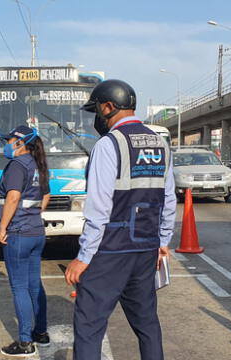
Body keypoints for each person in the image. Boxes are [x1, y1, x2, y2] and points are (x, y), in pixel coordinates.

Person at [65, 79, 176, 360]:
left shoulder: (108, 144)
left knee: (89, 326)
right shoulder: (160, 144)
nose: (97, 118)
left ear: (108, 106)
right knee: (147, 323)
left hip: (111, 250)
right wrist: (162, 243)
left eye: (97, 111)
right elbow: (169, 199)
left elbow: (99, 207)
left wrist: (84, 257)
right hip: (146, 248)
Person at [0, 125, 51, 357]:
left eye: (9, 140)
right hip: (36, 232)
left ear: (20, 143)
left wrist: (3, 228)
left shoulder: (17, 165)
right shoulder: (38, 165)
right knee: (34, 284)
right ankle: (41, 332)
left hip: (18, 233)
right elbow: (45, 195)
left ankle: (25, 342)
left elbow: (13, 196)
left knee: (19, 287)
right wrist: (34, 216)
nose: (6, 144)